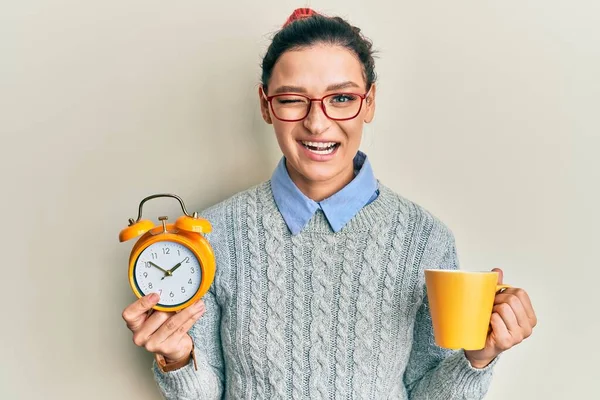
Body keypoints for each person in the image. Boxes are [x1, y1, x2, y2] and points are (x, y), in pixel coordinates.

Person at [121, 8, 537, 399]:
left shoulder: (423, 238)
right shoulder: (211, 237)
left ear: (368, 102)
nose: (317, 123)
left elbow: (428, 391)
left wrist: (478, 358)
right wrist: (176, 359)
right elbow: (206, 393)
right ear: (266, 105)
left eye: (341, 98)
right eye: (291, 99)